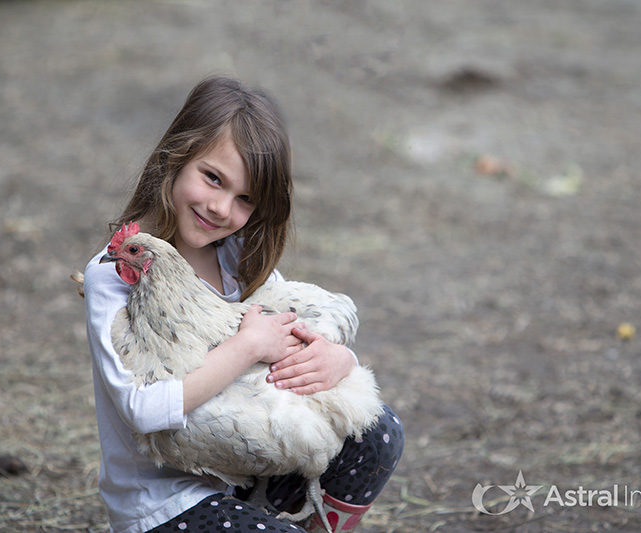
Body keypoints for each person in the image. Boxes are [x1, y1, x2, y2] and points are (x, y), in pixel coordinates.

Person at [82, 76, 404, 533]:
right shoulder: (112, 273)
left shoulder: (233, 254)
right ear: (176, 156)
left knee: (378, 434)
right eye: (213, 178)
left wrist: (336, 355)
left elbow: (292, 321)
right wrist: (248, 347)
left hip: (247, 468)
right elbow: (142, 410)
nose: (220, 208)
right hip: (165, 502)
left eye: (244, 199)